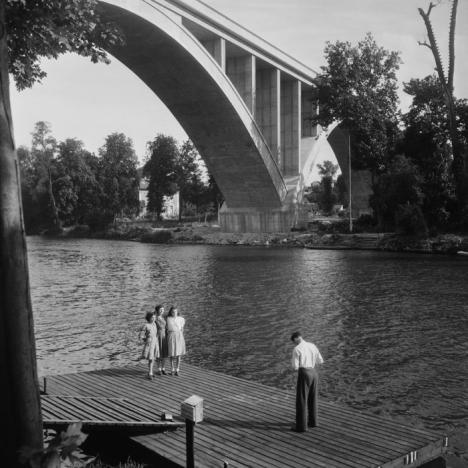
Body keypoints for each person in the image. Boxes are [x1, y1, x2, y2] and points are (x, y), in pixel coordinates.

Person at [290, 331, 324, 432]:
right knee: (313, 398)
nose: (294, 343)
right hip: (314, 373)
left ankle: (301, 427)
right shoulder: (312, 345)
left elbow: (295, 367)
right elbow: (320, 361)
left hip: (304, 373)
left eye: (293, 341)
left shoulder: (297, 349)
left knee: (302, 399)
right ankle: (313, 422)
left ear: (296, 339)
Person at [139, 311, 159, 379]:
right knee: (150, 358)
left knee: (153, 358)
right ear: (148, 318)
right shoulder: (146, 325)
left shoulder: (154, 324)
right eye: (152, 317)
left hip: (155, 343)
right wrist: (145, 339)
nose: (153, 319)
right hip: (150, 343)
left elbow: (156, 333)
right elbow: (141, 335)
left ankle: (150, 372)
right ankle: (150, 373)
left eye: (154, 317)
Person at [166, 306, 185, 376]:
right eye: (173, 311)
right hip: (171, 335)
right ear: (170, 312)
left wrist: (181, 336)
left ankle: (177, 369)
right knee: (171, 353)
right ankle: (172, 369)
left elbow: (182, 329)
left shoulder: (181, 319)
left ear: (177, 312)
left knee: (178, 353)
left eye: (175, 311)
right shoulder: (168, 318)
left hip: (179, 335)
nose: (174, 313)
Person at [154, 304, 168, 375]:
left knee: (164, 353)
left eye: (163, 310)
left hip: (164, 336)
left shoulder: (164, 318)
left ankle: (163, 368)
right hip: (158, 336)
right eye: (160, 310)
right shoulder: (155, 319)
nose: (162, 311)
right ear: (157, 311)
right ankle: (159, 368)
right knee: (158, 353)